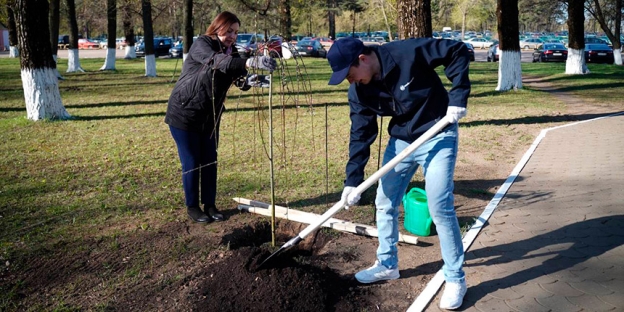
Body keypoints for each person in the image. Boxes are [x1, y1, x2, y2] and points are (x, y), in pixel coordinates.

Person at [327, 36, 470, 310]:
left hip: (439, 132)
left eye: (349, 74)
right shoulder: (358, 92)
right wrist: (352, 181)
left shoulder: (407, 53)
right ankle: (387, 264)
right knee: (385, 201)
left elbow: (457, 50)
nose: (349, 81)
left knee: (439, 206)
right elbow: (361, 133)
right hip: (402, 142)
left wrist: (458, 95)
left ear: (363, 59)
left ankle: (455, 278)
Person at [165, 11, 277, 224]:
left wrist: (251, 80)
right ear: (217, 27)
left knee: (210, 160)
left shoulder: (231, 52)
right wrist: (249, 62)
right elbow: (218, 63)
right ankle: (193, 207)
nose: (233, 36)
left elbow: (237, 78)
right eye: (229, 31)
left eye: (236, 32)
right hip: (184, 113)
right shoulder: (202, 45)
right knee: (192, 161)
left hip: (211, 116)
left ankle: (210, 204)